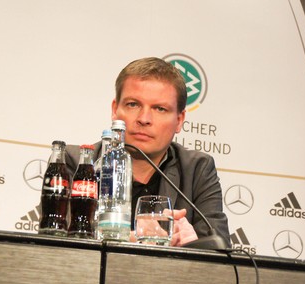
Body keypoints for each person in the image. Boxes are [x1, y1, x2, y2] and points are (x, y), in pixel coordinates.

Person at [66, 57, 230, 247]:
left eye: (160, 109)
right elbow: (60, 237)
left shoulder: (197, 169)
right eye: (133, 104)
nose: (144, 119)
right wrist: (138, 237)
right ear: (114, 110)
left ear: (179, 120)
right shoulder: (78, 161)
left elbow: (220, 249)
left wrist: (193, 243)